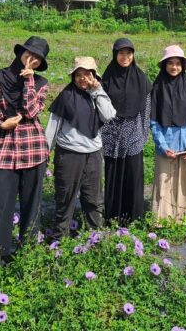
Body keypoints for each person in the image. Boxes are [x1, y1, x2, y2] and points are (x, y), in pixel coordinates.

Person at [0, 36, 50, 273]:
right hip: (6, 147)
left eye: (37, 58)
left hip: (34, 149)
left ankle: (28, 254)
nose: (31, 60)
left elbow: (31, 111)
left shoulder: (41, 82)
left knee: (31, 204)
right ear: (21, 52)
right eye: (29, 54)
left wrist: (28, 82)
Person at [46, 57, 116, 239]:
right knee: (65, 198)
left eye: (87, 74)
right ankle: (60, 239)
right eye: (78, 74)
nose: (82, 78)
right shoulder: (66, 96)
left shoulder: (98, 94)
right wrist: (45, 153)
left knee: (93, 199)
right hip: (69, 155)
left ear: (94, 76)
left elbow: (109, 115)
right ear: (73, 77)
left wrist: (97, 91)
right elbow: (52, 127)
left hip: (93, 154)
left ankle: (96, 237)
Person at [150, 45, 186, 223]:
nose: (174, 67)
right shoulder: (157, 88)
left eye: (178, 63)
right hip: (166, 144)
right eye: (170, 63)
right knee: (164, 183)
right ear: (165, 65)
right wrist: (163, 145)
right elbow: (154, 121)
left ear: (183, 66)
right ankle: (163, 220)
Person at [101, 38, 152, 226]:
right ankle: (113, 217)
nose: (125, 57)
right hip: (111, 135)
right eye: (121, 53)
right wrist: (104, 134)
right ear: (115, 54)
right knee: (113, 176)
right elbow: (100, 107)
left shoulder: (141, 79)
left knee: (133, 176)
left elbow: (146, 110)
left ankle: (134, 218)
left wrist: (143, 135)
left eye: (129, 53)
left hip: (133, 136)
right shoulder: (106, 79)